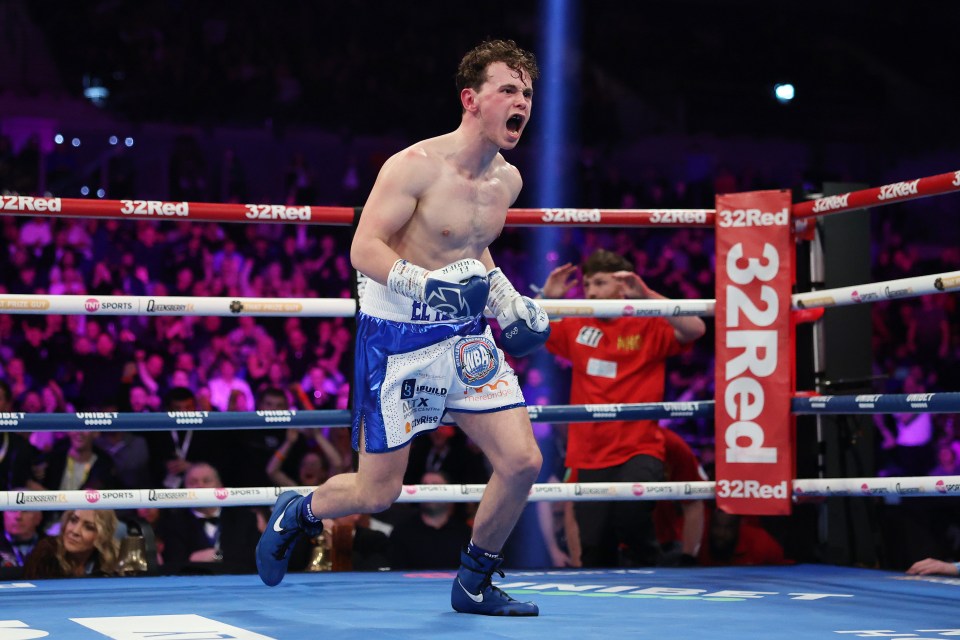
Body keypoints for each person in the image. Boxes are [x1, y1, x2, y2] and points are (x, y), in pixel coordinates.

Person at [256, 39, 547, 617]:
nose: (522, 103)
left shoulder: (507, 182)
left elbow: (474, 250)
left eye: (528, 93)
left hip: (464, 338)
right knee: (377, 492)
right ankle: (299, 510)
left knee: (523, 463)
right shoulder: (414, 167)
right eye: (508, 89)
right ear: (471, 99)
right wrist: (423, 284)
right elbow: (364, 249)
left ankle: (473, 582)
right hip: (397, 340)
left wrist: (505, 296)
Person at [541, 249, 706, 567]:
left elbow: (695, 328)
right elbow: (531, 333)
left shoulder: (647, 324)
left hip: (638, 448)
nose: (591, 292)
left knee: (631, 517)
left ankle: (651, 585)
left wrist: (646, 295)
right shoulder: (578, 326)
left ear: (622, 287)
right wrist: (549, 301)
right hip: (588, 453)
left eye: (600, 283)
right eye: (587, 284)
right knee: (594, 547)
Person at [389, 470, 472, 570]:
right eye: (425, 486)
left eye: (435, 486)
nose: (429, 492)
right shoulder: (402, 532)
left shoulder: (465, 533)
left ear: (450, 492)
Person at [23, 509, 119, 578]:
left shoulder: (111, 559)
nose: (75, 531)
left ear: (102, 536)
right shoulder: (45, 553)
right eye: (73, 520)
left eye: (89, 527)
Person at [1, 500, 45, 574]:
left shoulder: (52, 546)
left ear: (38, 517)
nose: (18, 516)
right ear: (3, 515)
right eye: (13, 510)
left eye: (25, 510)